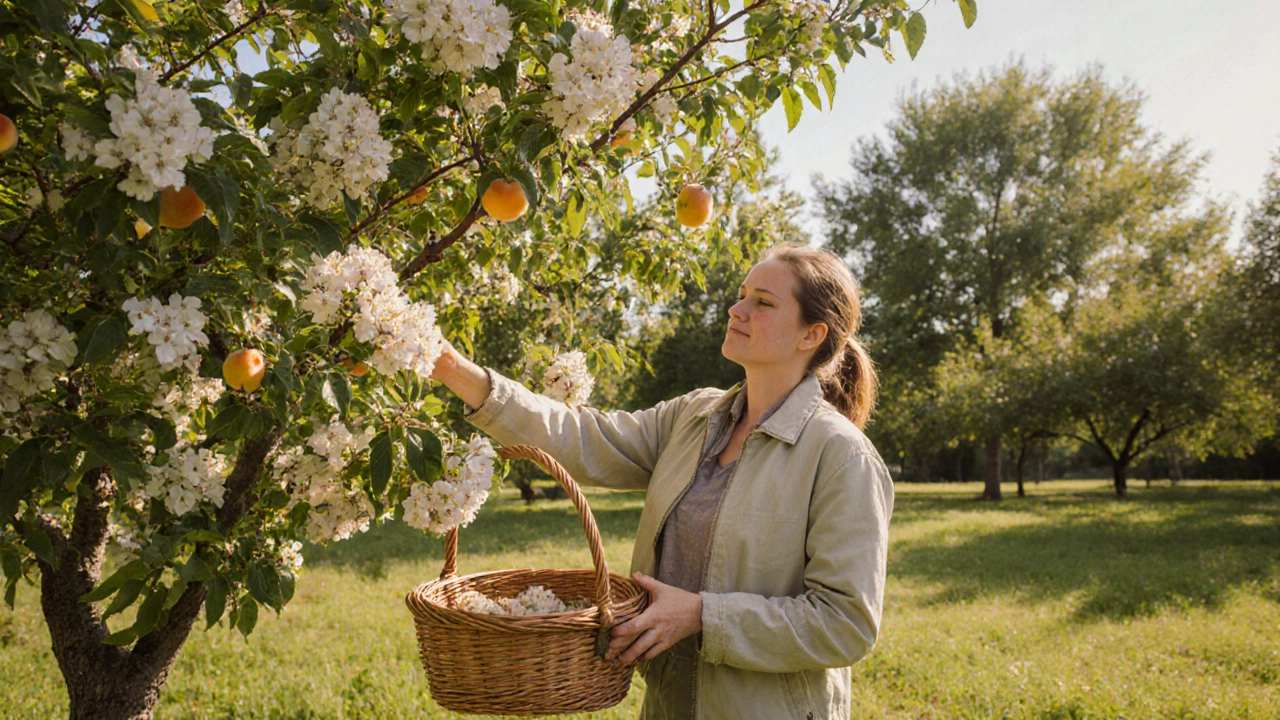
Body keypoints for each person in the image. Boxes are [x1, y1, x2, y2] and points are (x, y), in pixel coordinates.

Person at [430, 242, 893, 720]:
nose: (737, 310)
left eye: (764, 302)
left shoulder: (841, 457)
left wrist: (701, 615)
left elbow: (846, 624)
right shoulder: (695, 416)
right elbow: (583, 437)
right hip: (669, 704)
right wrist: (451, 367)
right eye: (742, 295)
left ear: (811, 335)